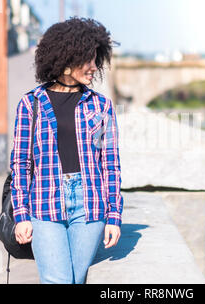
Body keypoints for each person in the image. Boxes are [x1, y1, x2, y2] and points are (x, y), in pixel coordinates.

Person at [10, 17, 123, 284]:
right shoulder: (30, 104)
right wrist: (22, 215)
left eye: (97, 59)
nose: (95, 67)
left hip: (90, 205)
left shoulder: (101, 106)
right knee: (58, 280)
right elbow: (20, 163)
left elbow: (110, 163)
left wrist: (114, 216)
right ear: (66, 59)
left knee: (77, 279)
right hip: (44, 204)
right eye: (89, 60)